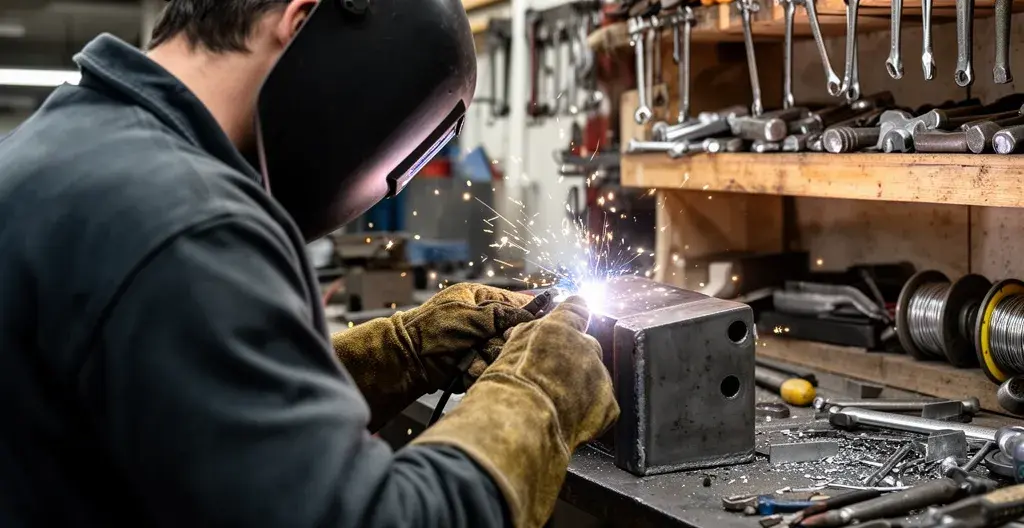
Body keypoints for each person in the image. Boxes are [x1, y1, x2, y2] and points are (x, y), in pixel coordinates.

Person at [0, 0, 619, 526]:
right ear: (299, 20)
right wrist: (536, 398)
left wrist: (399, 354)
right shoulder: (187, 221)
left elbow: (203, 424)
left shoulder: (70, 148)